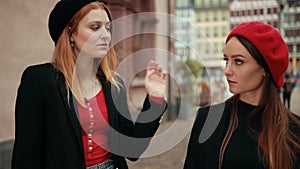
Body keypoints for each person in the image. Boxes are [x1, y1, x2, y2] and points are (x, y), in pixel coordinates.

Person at [12, 1, 167, 169]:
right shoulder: (39, 81)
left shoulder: (115, 85)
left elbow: (131, 149)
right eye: (95, 27)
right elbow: (26, 157)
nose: (106, 35)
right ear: (71, 33)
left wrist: (155, 97)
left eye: (108, 28)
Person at [184, 21, 300, 169]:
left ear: (265, 68)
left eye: (238, 61)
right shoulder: (208, 119)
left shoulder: (294, 131)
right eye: (227, 60)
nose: (227, 70)